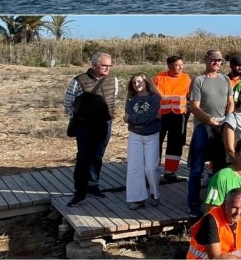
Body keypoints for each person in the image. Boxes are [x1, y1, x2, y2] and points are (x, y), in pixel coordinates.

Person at [64, 52, 119, 207]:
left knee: (97, 156)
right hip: (85, 125)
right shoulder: (78, 81)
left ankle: (93, 186)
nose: (108, 68)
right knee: (83, 158)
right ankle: (80, 192)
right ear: (94, 65)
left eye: (109, 65)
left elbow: (113, 99)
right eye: (104, 65)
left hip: (104, 124)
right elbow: (68, 102)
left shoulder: (113, 81)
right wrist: (79, 118)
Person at [188, 49, 235, 217]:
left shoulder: (225, 79)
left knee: (221, 166)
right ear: (206, 60)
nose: (217, 63)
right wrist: (210, 121)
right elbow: (194, 107)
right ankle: (193, 203)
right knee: (197, 168)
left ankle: (218, 201)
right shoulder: (198, 80)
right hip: (204, 127)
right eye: (214, 60)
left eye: (220, 61)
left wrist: (227, 120)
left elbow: (230, 102)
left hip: (223, 126)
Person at [187, 188, 241, 259]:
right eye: (234, 207)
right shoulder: (212, 219)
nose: (238, 212)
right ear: (224, 205)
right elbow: (215, 257)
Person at [124, 73, 162, 209]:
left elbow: (151, 115)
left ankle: (154, 193)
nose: (137, 84)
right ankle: (138, 198)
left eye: (139, 81)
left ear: (146, 82)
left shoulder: (155, 98)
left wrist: (132, 119)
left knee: (151, 168)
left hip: (151, 135)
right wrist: (142, 118)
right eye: (134, 82)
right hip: (135, 135)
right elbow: (127, 114)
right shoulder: (131, 99)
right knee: (134, 167)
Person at [153, 55, 191, 183]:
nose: (180, 67)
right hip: (161, 116)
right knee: (156, 144)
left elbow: (189, 97)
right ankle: (153, 172)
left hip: (178, 116)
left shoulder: (186, 79)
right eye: (177, 65)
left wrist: (188, 112)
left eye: (181, 64)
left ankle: (170, 172)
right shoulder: (159, 77)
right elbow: (153, 96)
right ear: (169, 66)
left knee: (175, 145)